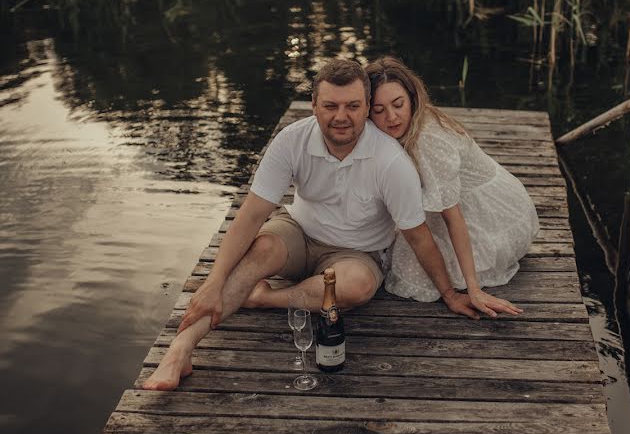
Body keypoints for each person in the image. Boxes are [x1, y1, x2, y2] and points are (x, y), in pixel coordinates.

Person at [142, 58, 509, 391]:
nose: (341, 116)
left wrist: (450, 293)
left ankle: (266, 297)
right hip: (298, 231)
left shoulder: (390, 161)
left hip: (355, 253)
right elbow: (252, 214)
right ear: (314, 106)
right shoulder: (291, 141)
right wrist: (214, 281)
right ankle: (181, 349)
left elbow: (418, 235)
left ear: (366, 108)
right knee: (262, 249)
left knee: (358, 285)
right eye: (330, 106)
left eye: (353, 106)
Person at [365, 56, 540, 315]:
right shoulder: (388, 130)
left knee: (413, 265)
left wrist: (473, 289)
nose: (391, 117)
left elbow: (453, 217)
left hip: (490, 209)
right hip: (463, 195)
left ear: (413, 99)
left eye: (398, 104)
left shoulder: (429, 141)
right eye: (378, 110)